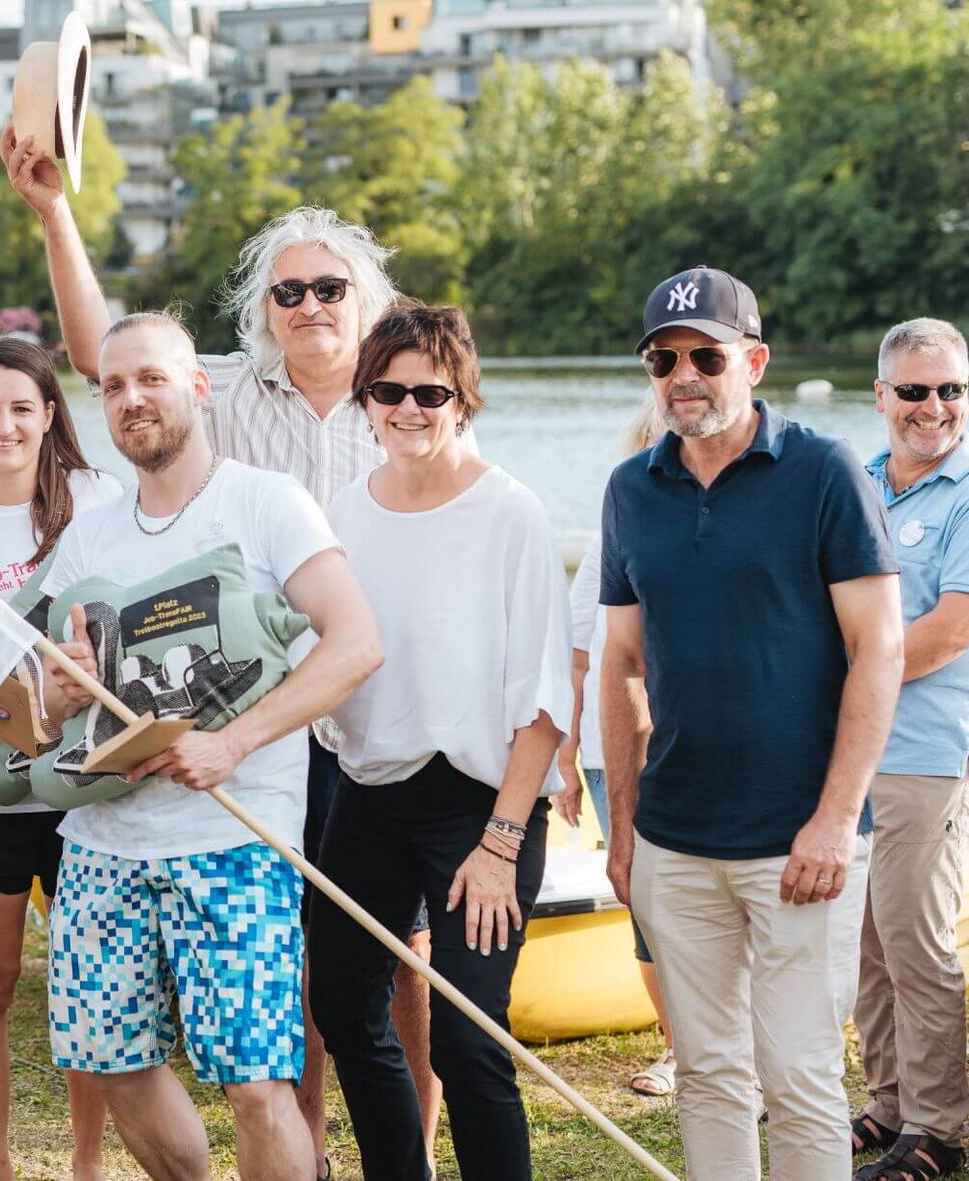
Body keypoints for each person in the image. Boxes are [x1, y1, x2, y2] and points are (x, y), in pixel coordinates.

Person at [3, 131, 445, 1177]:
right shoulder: (227, 401)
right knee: (259, 1032)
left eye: (327, 286)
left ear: (363, 296)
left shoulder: (412, 393)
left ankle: (406, 1157)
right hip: (203, 755)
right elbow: (105, 349)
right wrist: (57, 211)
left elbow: (392, 608)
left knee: (392, 965)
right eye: (287, 291)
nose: (307, 305)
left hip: (358, 726)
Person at [39, 311, 383, 1181]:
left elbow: (355, 642)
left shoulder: (265, 503)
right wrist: (61, 684)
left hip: (234, 840)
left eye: (150, 378)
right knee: (113, 1063)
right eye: (113, 386)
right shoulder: (90, 534)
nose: (131, 400)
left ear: (198, 386)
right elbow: (40, 705)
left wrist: (233, 743)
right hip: (102, 847)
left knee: (257, 1086)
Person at [600, 266, 902, 1180]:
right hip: (677, 838)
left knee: (802, 1076)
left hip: (799, 841)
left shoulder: (824, 470)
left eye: (705, 354)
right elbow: (619, 664)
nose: (683, 373)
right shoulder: (630, 488)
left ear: (755, 360)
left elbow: (879, 647)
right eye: (664, 358)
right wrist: (624, 824)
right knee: (709, 1072)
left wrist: (834, 818)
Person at [310, 302, 570, 1181]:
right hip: (373, 794)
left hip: (483, 804)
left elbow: (542, 699)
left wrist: (500, 844)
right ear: (366, 397)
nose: (408, 408)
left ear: (463, 397)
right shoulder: (348, 505)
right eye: (388, 390)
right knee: (343, 1005)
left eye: (430, 390)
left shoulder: (511, 512)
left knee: (467, 1034)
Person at [0, 337, 120, 1181]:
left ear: (50, 416)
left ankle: (87, 1163)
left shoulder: (96, 499)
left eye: (21, 407)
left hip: (87, 787)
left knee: (86, 987)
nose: (3, 424)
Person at [849, 318, 969, 1181]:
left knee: (917, 940)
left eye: (952, 389)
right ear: (882, 395)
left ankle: (940, 1125)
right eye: (917, 390)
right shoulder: (853, 485)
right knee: (870, 941)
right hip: (849, 755)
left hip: (932, 753)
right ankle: (889, 1101)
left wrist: (844, 680)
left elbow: (949, 631)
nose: (935, 407)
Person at [561, 394, 678, 1098]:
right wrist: (565, 753)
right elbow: (580, 646)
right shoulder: (619, 511)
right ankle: (679, 1049)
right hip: (615, 750)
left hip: (693, 744)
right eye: (657, 422)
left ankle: (737, 1052)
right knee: (642, 900)